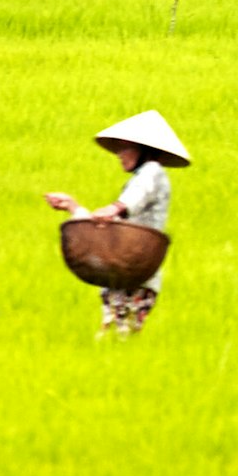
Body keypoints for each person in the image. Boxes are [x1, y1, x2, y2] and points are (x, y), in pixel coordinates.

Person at [48, 109, 191, 336]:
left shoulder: (152, 172)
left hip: (137, 271)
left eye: (125, 148)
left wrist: (116, 207)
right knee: (114, 333)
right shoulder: (138, 181)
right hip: (122, 269)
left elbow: (134, 198)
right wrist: (73, 207)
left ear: (144, 150)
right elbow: (107, 224)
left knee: (122, 333)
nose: (119, 154)